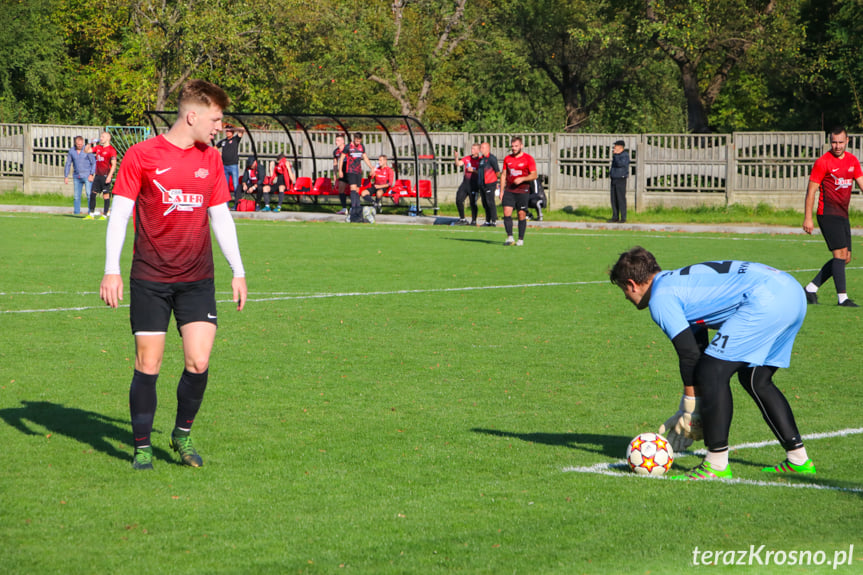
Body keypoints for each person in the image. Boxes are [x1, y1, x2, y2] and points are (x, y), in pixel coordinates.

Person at [99, 79, 247, 471]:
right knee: (149, 364)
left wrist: (238, 269)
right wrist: (111, 270)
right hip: (150, 278)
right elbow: (119, 214)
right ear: (192, 115)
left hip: (197, 278)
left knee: (198, 362)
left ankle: (181, 433)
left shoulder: (212, 159)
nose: (220, 127)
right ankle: (142, 446)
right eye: (216, 119)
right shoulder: (142, 155)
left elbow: (220, 216)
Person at [609, 247, 816, 480]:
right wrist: (690, 406)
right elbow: (696, 345)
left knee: (711, 373)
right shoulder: (676, 282)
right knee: (756, 379)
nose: (626, 297)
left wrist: (690, 409)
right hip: (792, 292)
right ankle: (799, 459)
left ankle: (716, 464)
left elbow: (688, 355)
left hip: (766, 299)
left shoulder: (660, 298)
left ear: (632, 283)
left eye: (623, 290)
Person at [802, 126, 863, 307]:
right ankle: (842, 298)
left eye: (840, 142)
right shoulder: (823, 162)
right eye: (834, 142)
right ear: (830, 142)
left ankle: (811, 288)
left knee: (846, 258)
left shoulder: (852, 161)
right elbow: (811, 191)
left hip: (843, 215)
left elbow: (861, 183)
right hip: (827, 213)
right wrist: (808, 218)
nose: (837, 146)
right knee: (839, 254)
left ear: (847, 141)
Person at [500, 137, 538, 246]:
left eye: (516, 146)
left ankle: (520, 239)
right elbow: (503, 175)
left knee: (521, 214)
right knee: (507, 213)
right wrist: (501, 191)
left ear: (521, 146)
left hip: (523, 190)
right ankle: (510, 237)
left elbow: (534, 175)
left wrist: (522, 179)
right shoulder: (507, 158)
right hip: (509, 190)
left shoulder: (528, 159)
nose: (514, 148)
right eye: (512, 146)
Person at [338, 133, 374, 223]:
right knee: (353, 188)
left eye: (359, 140)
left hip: (358, 171)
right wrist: (340, 170)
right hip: (350, 171)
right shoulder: (348, 146)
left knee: (357, 190)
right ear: (354, 139)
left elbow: (365, 157)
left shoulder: (362, 147)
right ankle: (354, 210)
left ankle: (357, 209)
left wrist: (371, 167)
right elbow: (342, 158)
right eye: (356, 140)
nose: (358, 142)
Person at [85, 132, 117, 220]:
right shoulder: (98, 147)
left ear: (107, 138)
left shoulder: (111, 150)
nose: (101, 138)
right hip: (98, 175)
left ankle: (105, 214)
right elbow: (86, 151)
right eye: (101, 136)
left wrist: (109, 176)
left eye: (103, 136)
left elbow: (114, 164)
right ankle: (91, 214)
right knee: (92, 194)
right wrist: (89, 143)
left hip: (106, 175)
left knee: (105, 195)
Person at [64, 136, 95, 215]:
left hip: (87, 175)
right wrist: (66, 176)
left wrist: (91, 174)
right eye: (78, 144)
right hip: (77, 176)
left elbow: (93, 162)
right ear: (75, 143)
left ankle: (90, 212)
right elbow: (68, 164)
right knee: (77, 196)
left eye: (81, 144)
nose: (80, 145)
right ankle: (76, 212)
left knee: (89, 194)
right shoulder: (72, 151)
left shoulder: (87, 150)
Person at [454, 144, 480, 225]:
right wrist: (456, 157)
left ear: (478, 151)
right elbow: (458, 164)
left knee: (473, 203)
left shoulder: (480, 160)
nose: (472, 150)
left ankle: (474, 220)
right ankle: (462, 219)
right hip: (465, 183)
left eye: (474, 149)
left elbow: (482, 173)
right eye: (472, 148)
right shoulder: (467, 158)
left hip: (474, 183)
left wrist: (473, 171)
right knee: (459, 199)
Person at [216, 126, 244, 201]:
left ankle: (237, 203)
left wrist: (234, 129)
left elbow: (242, 130)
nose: (228, 132)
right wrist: (219, 153)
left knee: (235, 185)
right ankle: (226, 204)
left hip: (233, 165)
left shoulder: (235, 139)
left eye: (229, 131)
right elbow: (214, 148)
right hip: (225, 166)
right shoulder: (223, 141)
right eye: (227, 131)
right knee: (225, 187)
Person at [477, 142, 500, 226]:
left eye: (483, 148)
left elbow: (497, 171)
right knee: (484, 202)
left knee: (490, 202)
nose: (481, 150)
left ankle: (493, 220)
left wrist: (495, 181)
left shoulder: (492, 158)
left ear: (488, 148)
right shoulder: (482, 159)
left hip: (490, 184)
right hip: (482, 184)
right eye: (481, 148)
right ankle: (487, 220)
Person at [610, 140, 630, 223]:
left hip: (621, 179)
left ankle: (623, 217)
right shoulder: (616, 156)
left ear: (620, 147)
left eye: (616, 146)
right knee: (613, 199)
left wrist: (616, 155)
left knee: (620, 199)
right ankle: (615, 216)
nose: (614, 148)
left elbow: (620, 164)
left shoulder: (624, 155)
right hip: (614, 178)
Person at [332, 134, 350, 215]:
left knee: (354, 190)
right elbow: (335, 163)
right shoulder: (336, 151)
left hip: (350, 170)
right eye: (336, 140)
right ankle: (344, 208)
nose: (336, 142)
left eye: (338, 140)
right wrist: (335, 174)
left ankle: (355, 208)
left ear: (343, 141)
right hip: (342, 171)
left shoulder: (349, 149)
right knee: (341, 189)